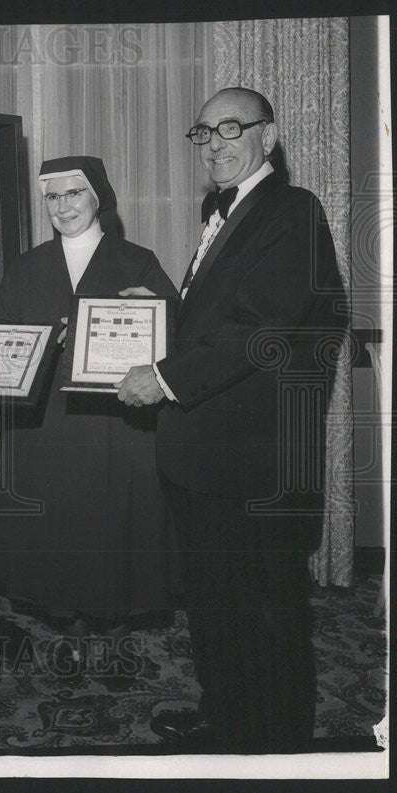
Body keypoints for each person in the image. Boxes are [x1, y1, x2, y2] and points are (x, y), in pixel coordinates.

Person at [117, 88, 345, 752]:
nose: (215, 142)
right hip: (210, 461)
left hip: (256, 467)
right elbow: (219, 313)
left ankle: (276, 746)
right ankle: (227, 716)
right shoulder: (227, 211)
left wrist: (160, 378)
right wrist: (159, 299)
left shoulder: (292, 210)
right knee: (218, 608)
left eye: (231, 127)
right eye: (204, 131)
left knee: (268, 617)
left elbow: (261, 327)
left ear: (268, 137)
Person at [0, 155, 179, 643]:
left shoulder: (138, 260)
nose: (63, 205)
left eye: (74, 193)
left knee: (112, 530)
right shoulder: (26, 267)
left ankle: (114, 633)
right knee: (58, 531)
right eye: (52, 196)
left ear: (98, 197)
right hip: (45, 423)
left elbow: (179, 336)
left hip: (117, 424)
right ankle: (68, 630)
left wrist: (153, 317)